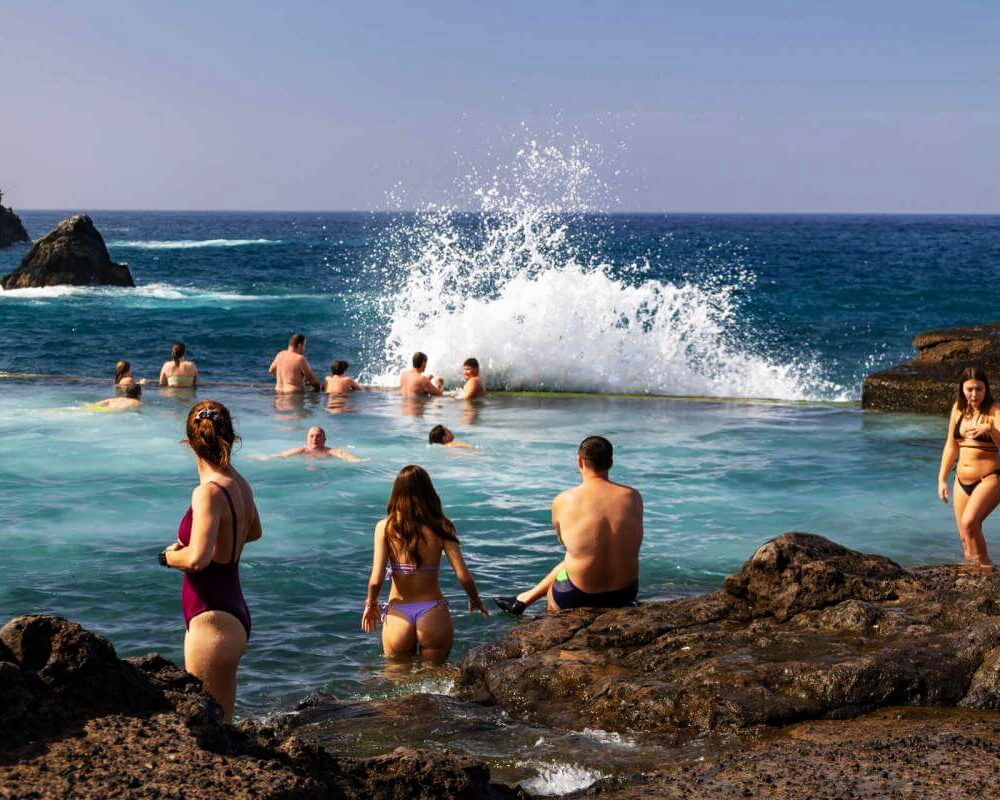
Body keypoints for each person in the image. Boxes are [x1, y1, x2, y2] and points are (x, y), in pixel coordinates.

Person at [159, 400, 262, 722]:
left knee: (205, 724)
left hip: (210, 617)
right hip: (232, 608)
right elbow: (254, 532)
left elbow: (197, 560)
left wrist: (168, 556)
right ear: (231, 438)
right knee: (223, 722)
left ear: (189, 443)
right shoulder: (238, 482)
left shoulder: (207, 492)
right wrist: (219, 542)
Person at [495, 436, 643, 615]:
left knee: (570, 564)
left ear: (580, 462)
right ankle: (523, 599)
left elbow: (564, 542)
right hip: (625, 593)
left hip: (577, 594)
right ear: (611, 462)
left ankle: (535, 612)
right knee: (577, 559)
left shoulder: (564, 500)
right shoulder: (633, 497)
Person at [362, 465, 489, 662]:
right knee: (435, 680)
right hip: (433, 612)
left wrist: (371, 604)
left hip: (398, 614)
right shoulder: (442, 526)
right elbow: (463, 575)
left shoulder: (385, 527)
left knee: (398, 682)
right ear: (428, 491)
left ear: (396, 491)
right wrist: (475, 599)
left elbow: (375, 580)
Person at [938, 366, 1000, 571]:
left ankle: (986, 571)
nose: (974, 394)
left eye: (979, 389)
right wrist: (942, 479)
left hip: (989, 478)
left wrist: (991, 429)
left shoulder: (995, 411)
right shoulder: (958, 409)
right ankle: (972, 573)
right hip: (960, 480)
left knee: (969, 523)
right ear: (962, 389)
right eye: (970, 389)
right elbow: (951, 445)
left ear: (986, 389)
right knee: (965, 536)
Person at [267, 426, 361, 461]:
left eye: (318, 436)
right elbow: (283, 455)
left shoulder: (329, 451)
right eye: (311, 436)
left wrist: (356, 460)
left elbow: (343, 454)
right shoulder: (303, 450)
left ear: (324, 440)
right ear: (307, 439)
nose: (314, 439)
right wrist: (265, 458)